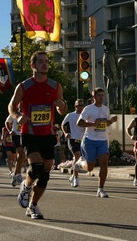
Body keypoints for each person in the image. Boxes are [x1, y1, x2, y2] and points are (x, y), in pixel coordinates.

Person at [9, 51, 67, 219]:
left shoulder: (55, 86)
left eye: (47, 61)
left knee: (45, 175)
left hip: (47, 134)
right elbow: (12, 106)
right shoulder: (24, 86)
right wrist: (18, 116)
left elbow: (62, 108)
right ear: (33, 65)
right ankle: (26, 186)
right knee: (37, 168)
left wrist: (61, 104)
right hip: (30, 133)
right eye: (41, 62)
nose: (45, 64)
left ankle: (33, 205)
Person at [75, 87, 118, 198]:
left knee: (104, 164)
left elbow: (105, 124)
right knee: (90, 168)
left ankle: (101, 189)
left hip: (102, 140)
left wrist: (111, 121)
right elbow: (79, 123)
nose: (101, 97)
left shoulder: (106, 109)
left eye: (102, 95)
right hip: (90, 139)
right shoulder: (88, 109)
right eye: (98, 95)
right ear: (94, 96)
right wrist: (93, 124)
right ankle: (79, 163)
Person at [61, 99, 85, 187]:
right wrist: (66, 133)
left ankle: (72, 175)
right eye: (79, 105)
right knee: (77, 156)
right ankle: (76, 179)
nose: (81, 107)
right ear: (75, 106)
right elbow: (63, 124)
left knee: (78, 159)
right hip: (72, 139)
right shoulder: (70, 115)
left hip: (82, 140)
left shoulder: (85, 116)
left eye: (82, 105)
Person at [6, 113, 26, 187]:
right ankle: (18, 174)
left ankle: (15, 175)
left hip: (25, 135)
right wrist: (10, 130)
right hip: (16, 136)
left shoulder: (27, 110)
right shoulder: (14, 112)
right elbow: (7, 122)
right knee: (20, 153)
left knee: (22, 156)